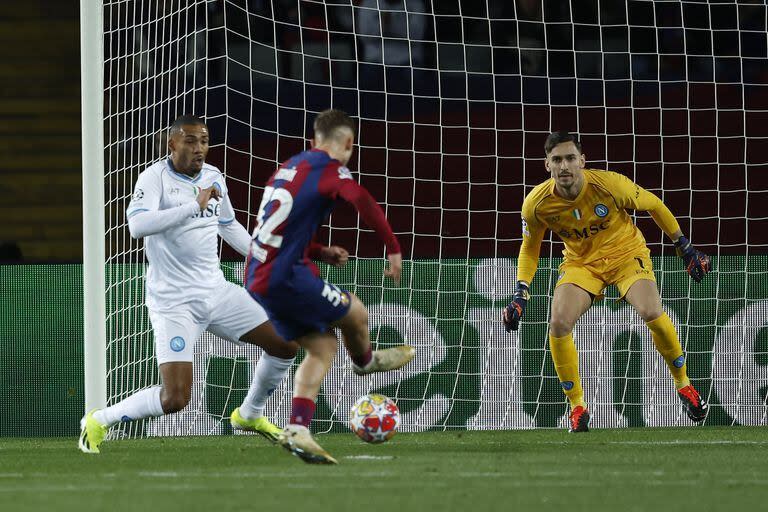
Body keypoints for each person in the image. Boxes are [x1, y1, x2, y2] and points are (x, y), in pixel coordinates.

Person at [78, 115, 298, 453]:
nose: (199, 148)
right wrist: (191, 206)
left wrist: (267, 257)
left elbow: (228, 225)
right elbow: (137, 227)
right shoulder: (154, 179)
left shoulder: (214, 177)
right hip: (174, 303)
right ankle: (99, 420)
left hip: (218, 292)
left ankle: (250, 414)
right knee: (175, 398)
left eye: (204, 141)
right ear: (173, 144)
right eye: (191, 141)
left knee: (285, 344)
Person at [502, 131, 712, 433]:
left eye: (570, 158)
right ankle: (577, 407)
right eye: (557, 160)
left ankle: (684, 385)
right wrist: (521, 292)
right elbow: (530, 247)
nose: (564, 166)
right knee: (558, 323)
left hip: (626, 255)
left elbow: (654, 204)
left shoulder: (609, 185)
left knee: (651, 311)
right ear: (547, 165)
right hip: (581, 264)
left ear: (582, 161)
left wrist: (684, 247)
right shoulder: (536, 204)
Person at [243, 108, 415, 464]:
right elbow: (361, 200)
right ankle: (365, 361)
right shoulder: (331, 168)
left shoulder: (287, 168)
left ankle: (298, 428)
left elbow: (279, 231)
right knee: (356, 311)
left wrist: (320, 250)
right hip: (286, 275)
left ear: (312, 142)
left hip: (257, 275)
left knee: (322, 346)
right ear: (349, 143)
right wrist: (393, 247)